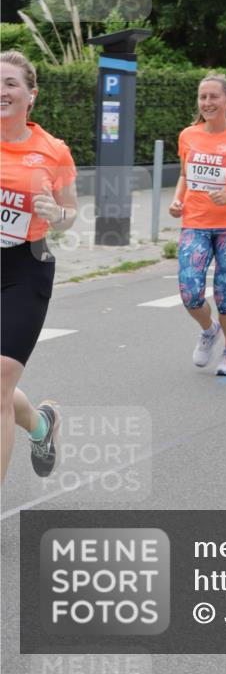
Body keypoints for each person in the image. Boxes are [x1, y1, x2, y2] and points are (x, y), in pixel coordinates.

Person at [1, 51, 78, 483]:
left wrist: (55, 211)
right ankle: (40, 426)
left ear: (31, 94)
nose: (1, 91)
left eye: (11, 83)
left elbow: (70, 214)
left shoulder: (52, 151)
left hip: (24, 269)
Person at [169, 73, 226, 376]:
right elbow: (185, 174)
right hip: (195, 222)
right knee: (190, 292)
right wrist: (177, 199)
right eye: (203, 97)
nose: (207, 102)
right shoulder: (189, 135)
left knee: (224, 293)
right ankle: (209, 330)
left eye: (213, 97)